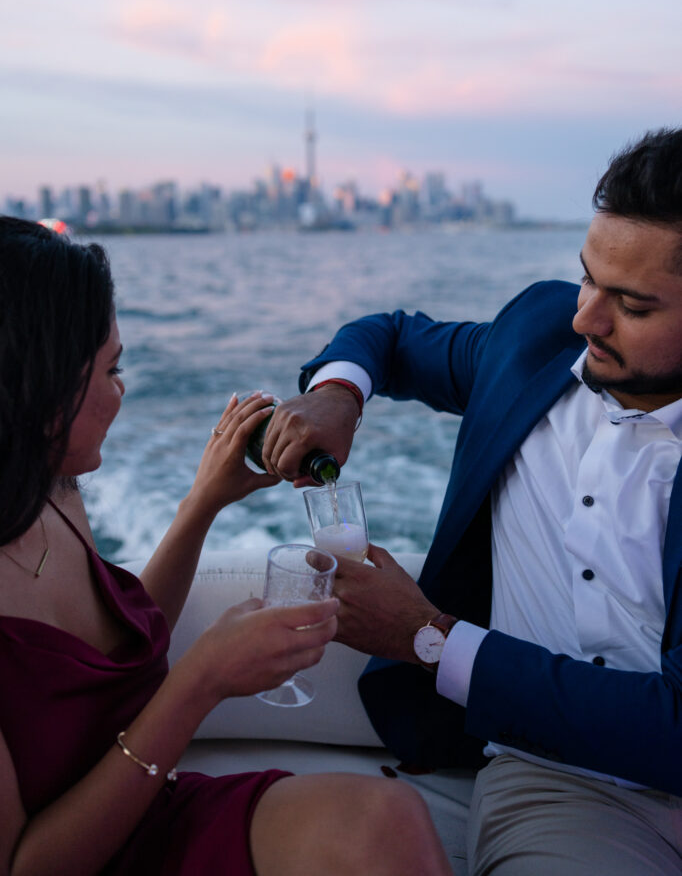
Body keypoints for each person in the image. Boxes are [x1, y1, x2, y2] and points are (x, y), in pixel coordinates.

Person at [260, 128, 682, 875]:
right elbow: (388, 338)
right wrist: (335, 397)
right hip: (565, 788)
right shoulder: (538, 340)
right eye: (588, 279)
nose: (587, 320)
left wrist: (429, 636)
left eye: (631, 305)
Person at [0, 217, 451, 876]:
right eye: (110, 368)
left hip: (151, 806)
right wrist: (202, 680)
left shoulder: (51, 490)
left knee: (387, 817)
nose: (122, 389)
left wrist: (202, 504)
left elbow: (115, 653)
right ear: (40, 388)